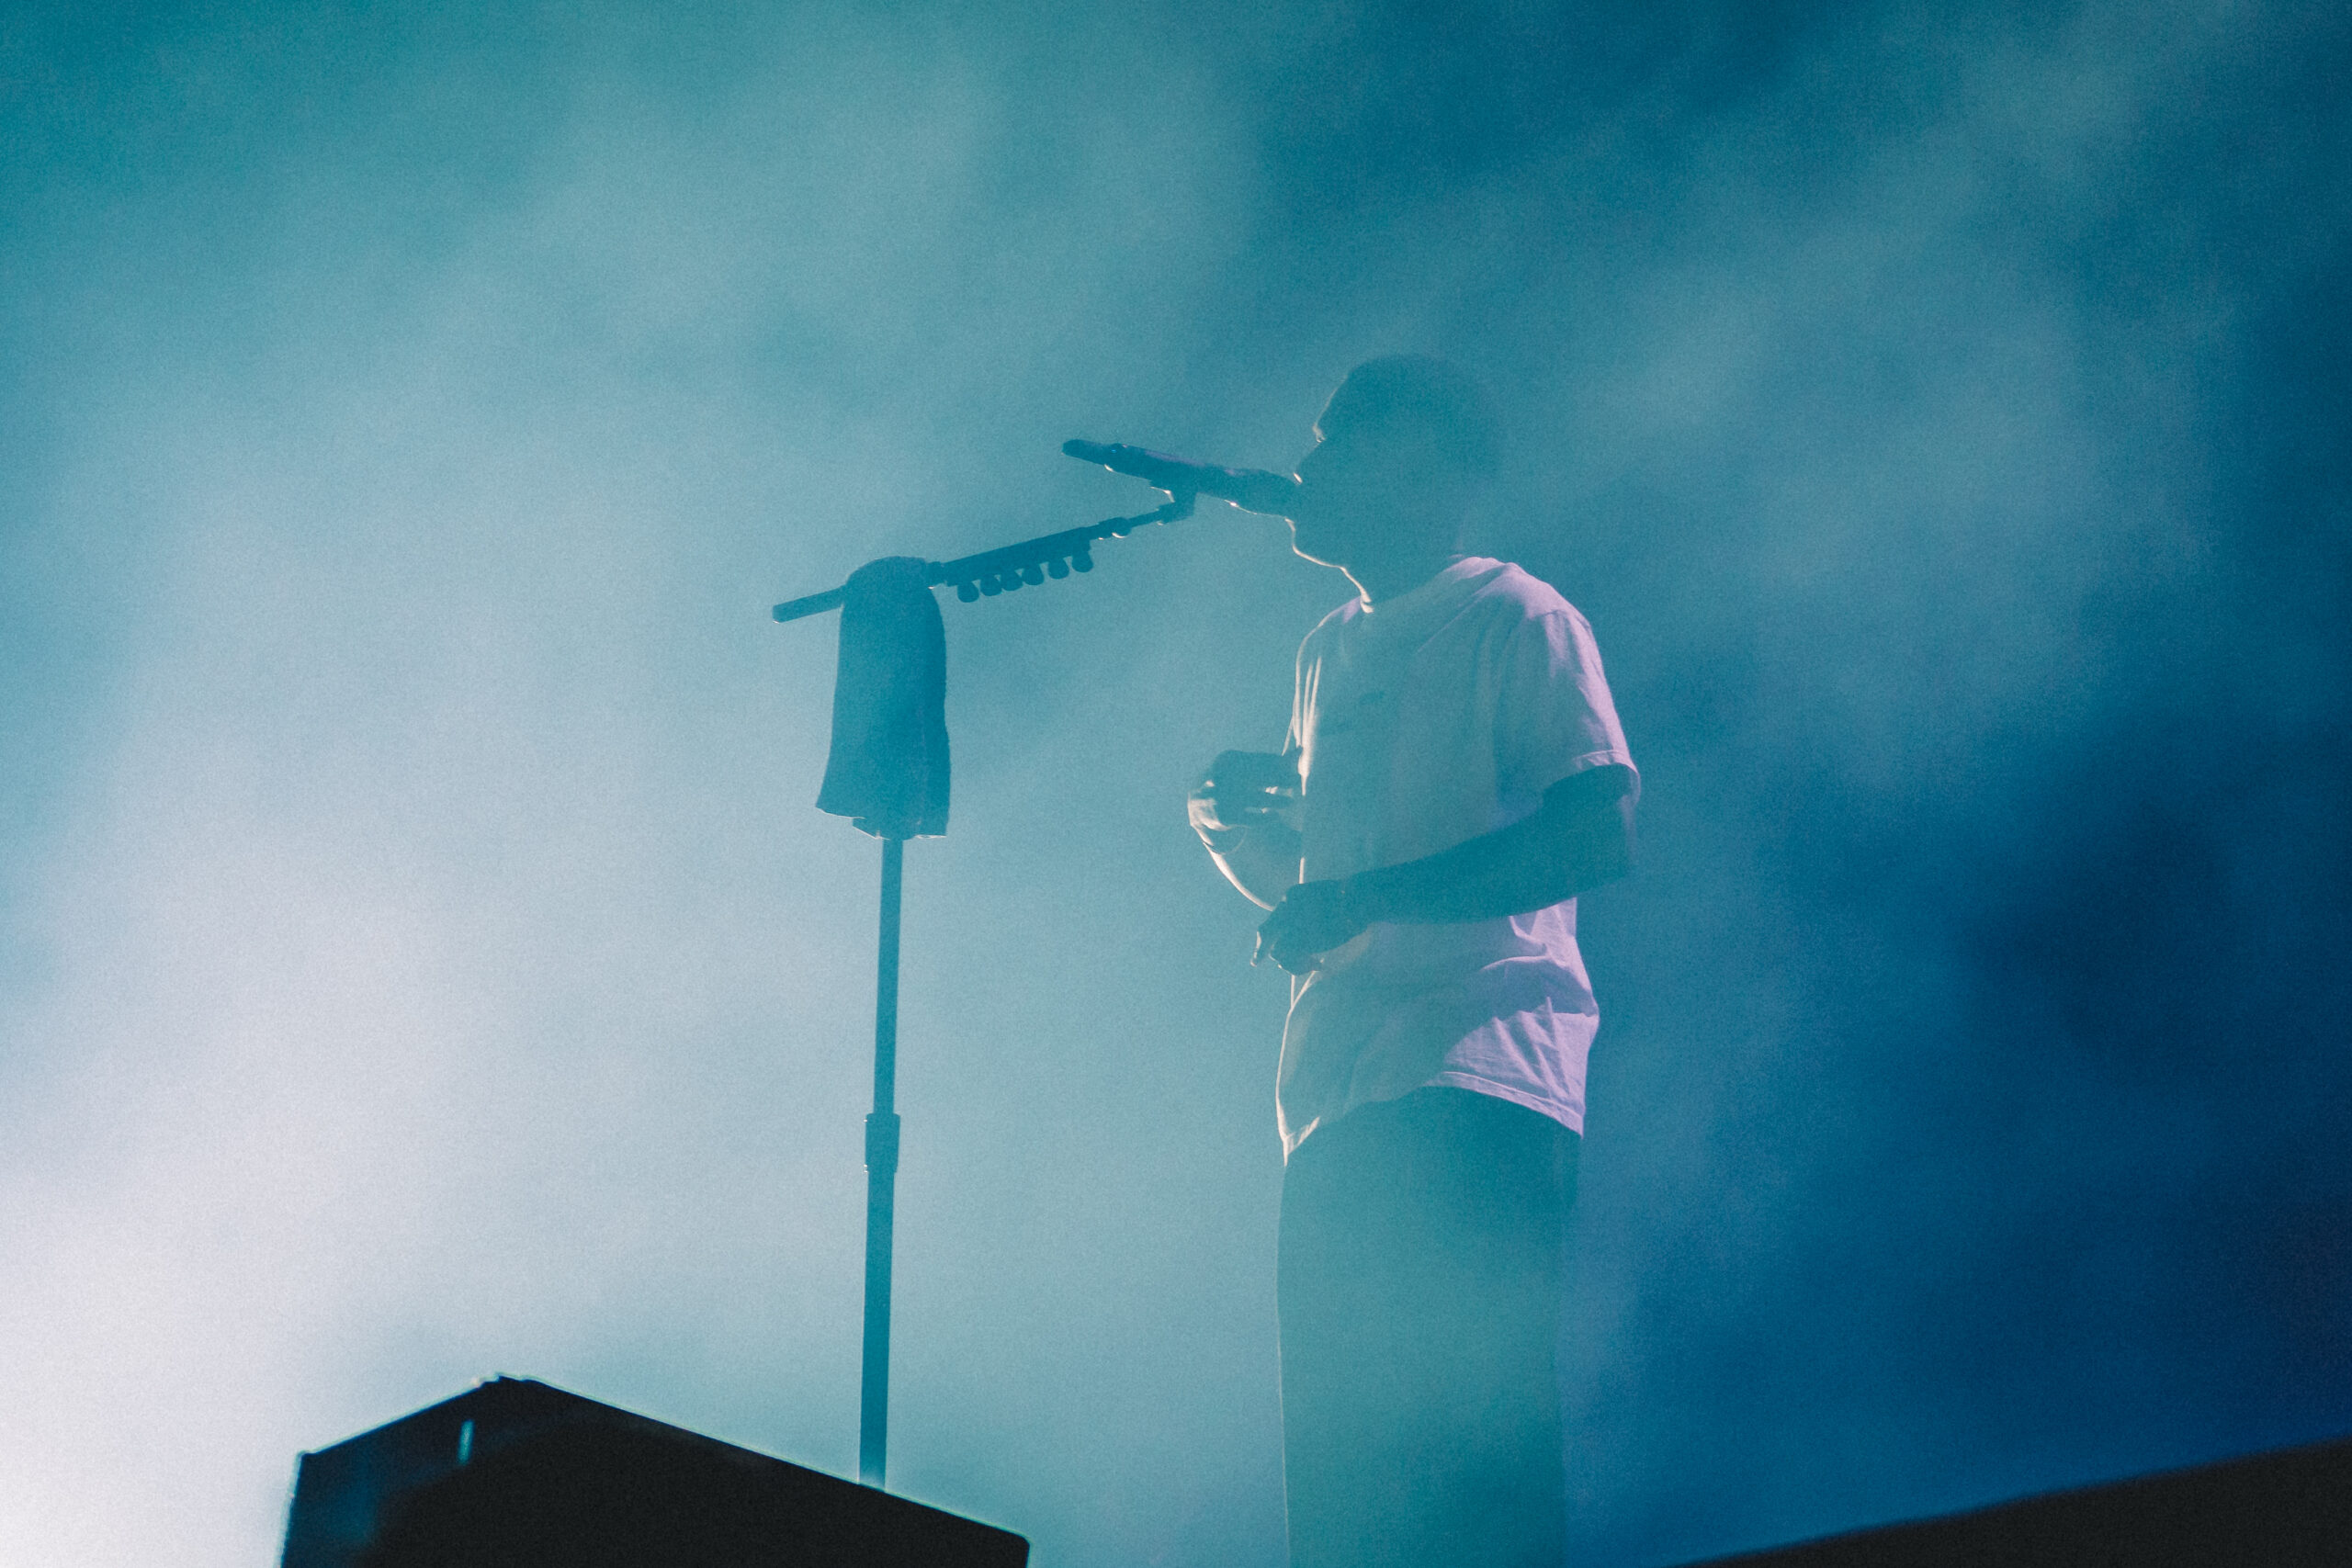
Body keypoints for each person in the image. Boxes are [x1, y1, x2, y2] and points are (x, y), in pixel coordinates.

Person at [1188, 356, 1638, 1568]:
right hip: (1336, 1096)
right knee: (1346, 1496)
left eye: (1338, 439)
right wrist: (1229, 829)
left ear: (1427, 470)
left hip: (1470, 1079)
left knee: (1468, 1480)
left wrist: (1359, 895)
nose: (1309, 464)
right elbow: (1330, 897)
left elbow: (1598, 833)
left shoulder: (1517, 616)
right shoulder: (1326, 649)